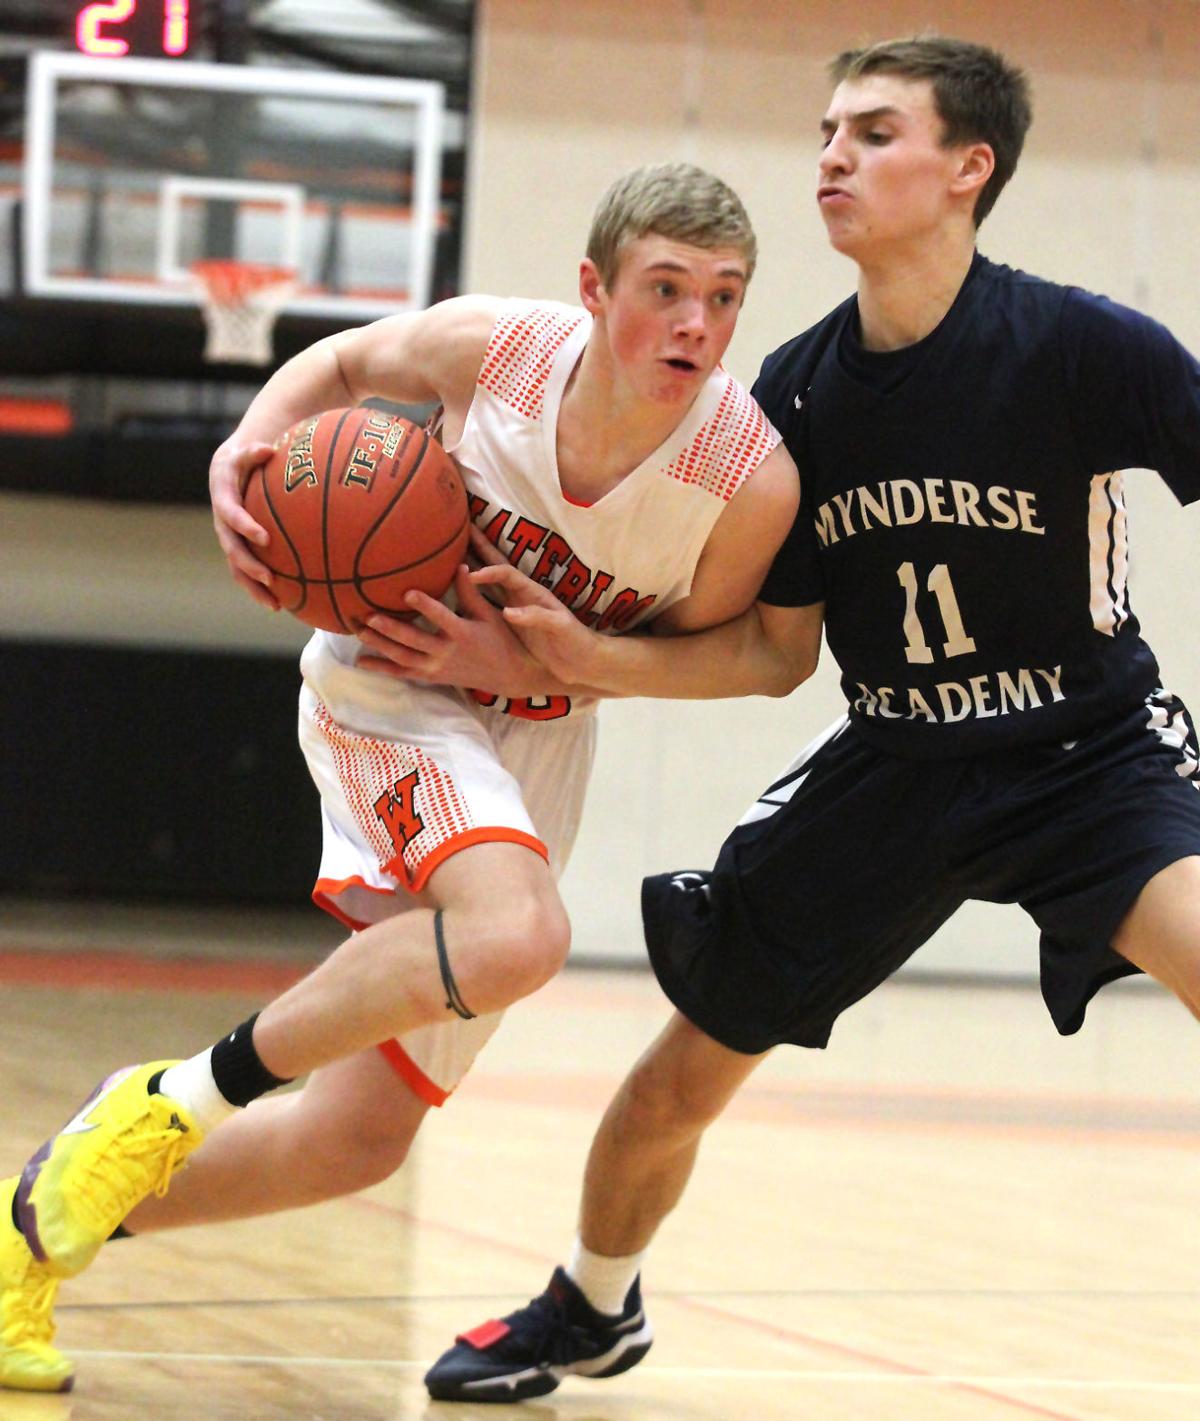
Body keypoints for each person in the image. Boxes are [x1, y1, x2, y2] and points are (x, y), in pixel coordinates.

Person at [419, 33, 1200, 1404]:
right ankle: (592, 1306)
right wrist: (590, 656)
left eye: (875, 132)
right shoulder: (789, 396)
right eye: (829, 129)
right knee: (680, 1074)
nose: (833, 154)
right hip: (895, 764)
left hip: (1087, 755)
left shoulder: (1082, 347)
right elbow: (776, 654)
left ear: (971, 169)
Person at [0, 162, 807, 1393]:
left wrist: (565, 653)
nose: (696, 324)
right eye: (666, 289)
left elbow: (758, 654)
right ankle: (162, 1103)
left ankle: (28, 1229)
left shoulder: (743, 477)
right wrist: (246, 446)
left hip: (536, 732)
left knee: (351, 1141)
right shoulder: (496, 349)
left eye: (724, 296)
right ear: (595, 290)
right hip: (392, 687)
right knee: (518, 933)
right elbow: (334, 368)